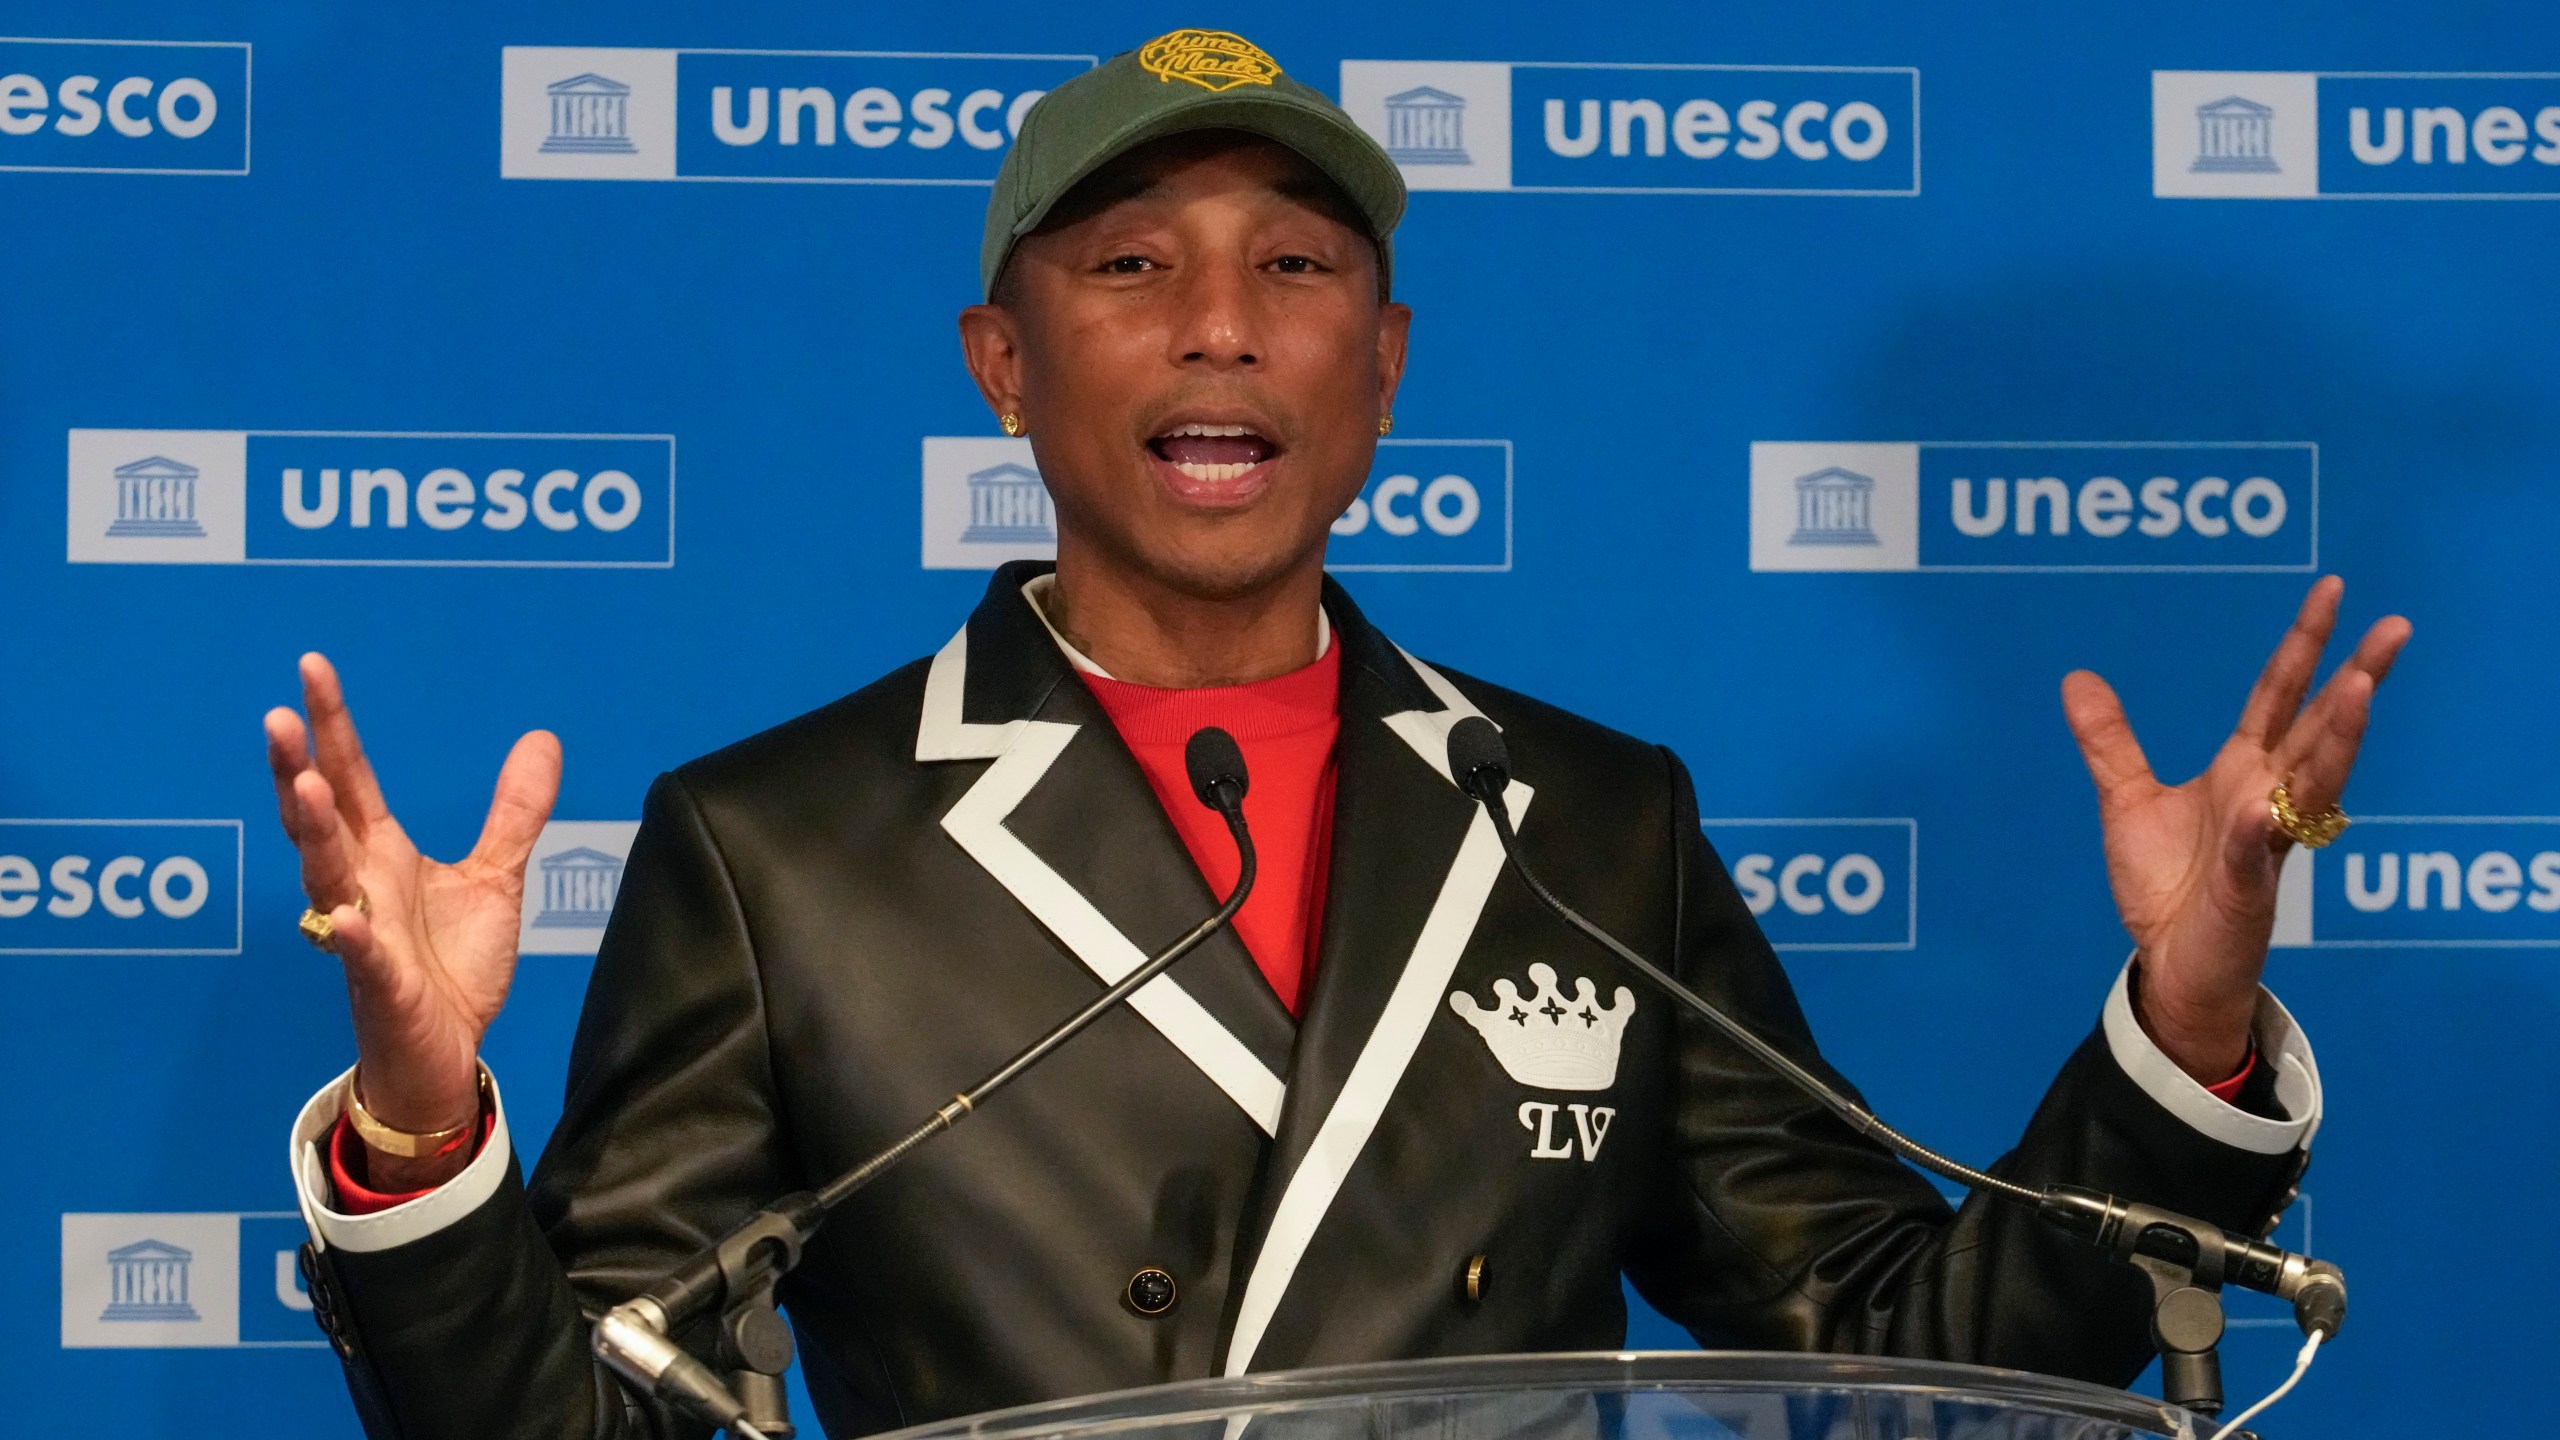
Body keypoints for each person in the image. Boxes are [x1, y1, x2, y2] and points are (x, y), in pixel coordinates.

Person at [269, 29, 2409, 1440]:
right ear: (1000, 361)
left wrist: (2187, 1030)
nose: (1218, 321)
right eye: (1131, 264)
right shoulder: (783, 846)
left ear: (1378, 366)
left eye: (1293, 265)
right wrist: (419, 1133)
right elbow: (590, 1421)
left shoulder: (1587, 815)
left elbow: (1889, 1353)